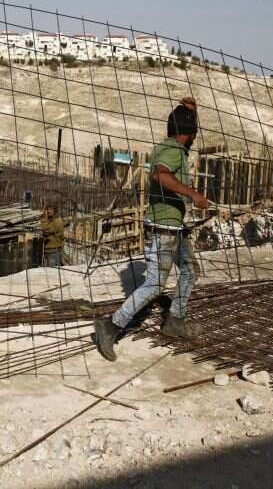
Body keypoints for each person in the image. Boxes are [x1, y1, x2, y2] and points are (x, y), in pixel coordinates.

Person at [94, 97, 210, 361]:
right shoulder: (172, 151)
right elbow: (160, 174)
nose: (195, 138)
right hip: (163, 229)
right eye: (194, 132)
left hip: (175, 227)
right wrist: (193, 194)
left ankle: (175, 320)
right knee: (155, 284)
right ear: (189, 134)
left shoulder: (170, 147)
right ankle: (110, 326)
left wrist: (191, 112)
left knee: (190, 270)